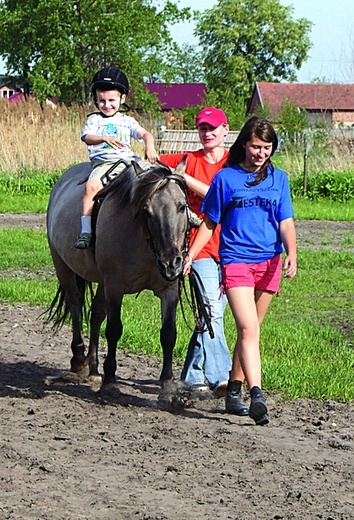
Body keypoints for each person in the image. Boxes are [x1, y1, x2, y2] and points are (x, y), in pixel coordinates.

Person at [183, 116, 297, 425]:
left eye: (267, 147)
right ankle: (256, 393)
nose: (261, 153)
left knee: (251, 331)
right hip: (235, 261)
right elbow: (209, 223)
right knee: (248, 329)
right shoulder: (226, 179)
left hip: (269, 262)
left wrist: (292, 254)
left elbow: (286, 221)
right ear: (244, 145)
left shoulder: (280, 179)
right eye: (256, 147)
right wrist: (191, 255)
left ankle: (233, 390)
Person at [160, 107, 247, 409]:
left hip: (235, 249)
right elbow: (153, 166)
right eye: (202, 128)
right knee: (212, 311)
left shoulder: (235, 164)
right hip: (200, 249)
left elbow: (218, 195)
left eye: (213, 128)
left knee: (209, 318)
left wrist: (184, 178)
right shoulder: (189, 159)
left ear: (225, 130)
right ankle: (223, 377)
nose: (207, 133)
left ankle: (192, 376)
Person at [74, 65, 158, 249]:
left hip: (128, 161)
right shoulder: (94, 120)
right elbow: (87, 138)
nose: (107, 105)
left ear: (122, 98)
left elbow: (145, 134)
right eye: (102, 101)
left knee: (161, 177)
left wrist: (149, 146)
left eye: (112, 100)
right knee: (91, 187)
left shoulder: (127, 121)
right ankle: (86, 231)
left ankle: (181, 212)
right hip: (106, 163)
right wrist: (103, 138)